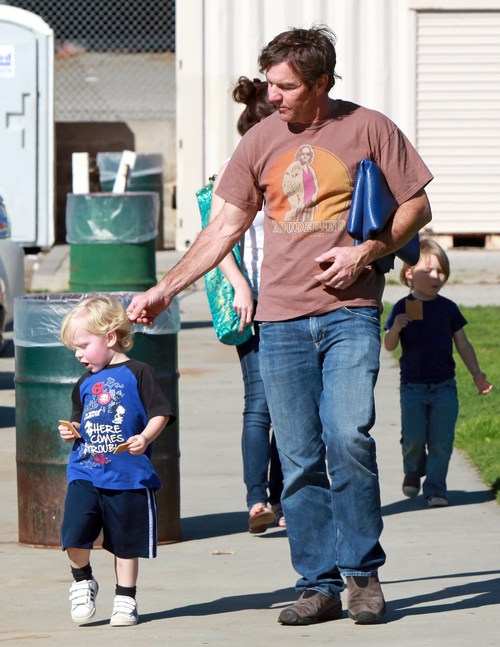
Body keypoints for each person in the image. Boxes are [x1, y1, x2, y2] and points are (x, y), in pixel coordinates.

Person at [128, 25, 433, 626]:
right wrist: (166, 290)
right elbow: (222, 229)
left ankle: (363, 575)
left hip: (349, 313)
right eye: (270, 83)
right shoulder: (258, 142)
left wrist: (365, 253)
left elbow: (417, 204)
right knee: (297, 457)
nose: (274, 95)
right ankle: (317, 583)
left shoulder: (369, 127)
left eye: (287, 86)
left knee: (348, 437)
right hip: (281, 323)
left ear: (321, 83)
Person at [58, 295, 175, 627]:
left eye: (82, 345)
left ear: (109, 338)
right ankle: (82, 579)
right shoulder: (83, 383)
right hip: (85, 470)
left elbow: (161, 413)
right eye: (74, 349)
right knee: (75, 532)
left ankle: (125, 598)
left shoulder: (140, 373)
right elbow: (81, 420)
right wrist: (73, 431)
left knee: (126, 542)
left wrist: (146, 438)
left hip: (128, 474)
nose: (78, 354)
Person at [209, 76, 285, 533]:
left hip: (296, 297)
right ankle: (259, 500)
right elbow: (217, 239)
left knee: (295, 405)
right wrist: (241, 287)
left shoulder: (295, 163)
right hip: (252, 300)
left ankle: (288, 496)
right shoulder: (232, 168)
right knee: (260, 404)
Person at [383, 238, 493, 507]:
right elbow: (389, 346)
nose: (437, 276)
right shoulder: (403, 307)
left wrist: (477, 375)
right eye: (429, 270)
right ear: (409, 274)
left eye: (441, 271)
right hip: (413, 387)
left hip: (445, 386)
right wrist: (395, 328)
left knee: (441, 441)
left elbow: (463, 344)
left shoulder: (448, 309)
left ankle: (435, 489)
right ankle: (412, 471)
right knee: (413, 438)